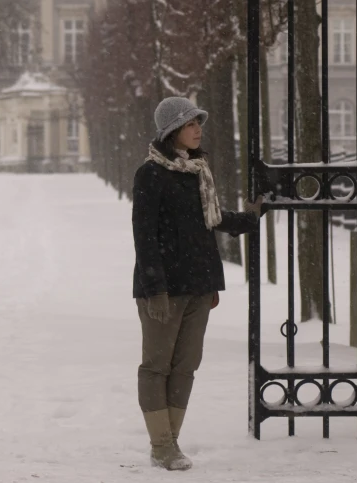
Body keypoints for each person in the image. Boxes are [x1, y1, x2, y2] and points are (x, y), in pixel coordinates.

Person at [132, 96, 263, 470]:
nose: (197, 129)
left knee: (186, 364)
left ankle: (170, 443)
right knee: (157, 365)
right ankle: (161, 445)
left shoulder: (197, 171)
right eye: (190, 123)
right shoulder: (151, 174)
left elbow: (211, 219)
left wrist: (249, 220)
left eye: (198, 123)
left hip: (198, 284)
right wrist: (154, 288)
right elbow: (145, 236)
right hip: (164, 288)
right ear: (172, 129)